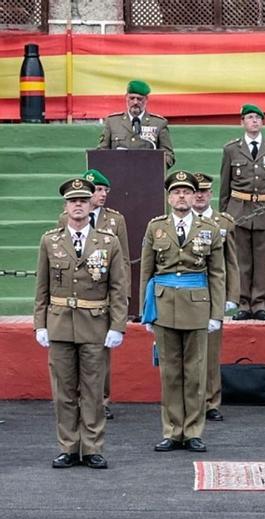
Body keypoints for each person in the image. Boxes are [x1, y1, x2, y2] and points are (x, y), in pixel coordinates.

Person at [34, 178, 129, 469]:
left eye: (83, 200)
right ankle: (67, 446)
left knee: (92, 391)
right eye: (72, 201)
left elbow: (118, 287)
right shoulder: (50, 240)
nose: (78, 205)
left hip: (95, 324)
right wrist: (40, 324)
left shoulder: (108, 242)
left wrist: (117, 326)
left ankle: (92, 447)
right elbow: (42, 287)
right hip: (60, 323)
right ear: (65, 206)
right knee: (63, 391)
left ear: (91, 205)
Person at [141, 171, 226, 453]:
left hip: (197, 306)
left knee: (195, 373)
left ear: (194, 196)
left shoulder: (209, 229)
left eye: (187, 192)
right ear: (168, 197)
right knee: (170, 373)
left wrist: (216, 314)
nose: (182, 196)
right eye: (176, 192)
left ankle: (193, 431)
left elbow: (217, 274)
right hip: (164, 305)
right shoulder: (156, 228)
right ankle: (171, 430)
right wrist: (147, 310)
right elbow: (147, 271)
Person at [58, 169, 129, 421]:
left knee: (101, 357)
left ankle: (102, 399)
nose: (101, 195)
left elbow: (123, 264)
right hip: (74, 298)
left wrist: (123, 298)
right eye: (97, 190)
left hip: (102, 297)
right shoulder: (64, 219)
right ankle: (78, 398)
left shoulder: (115, 220)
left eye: (103, 190)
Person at [219, 104, 265, 321]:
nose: (254, 121)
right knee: (241, 260)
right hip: (238, 210)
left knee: (263, 261)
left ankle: (260, 304)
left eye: (258, 117)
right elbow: (225, 184)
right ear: (242, 122)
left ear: (262, 122)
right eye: (250, 117)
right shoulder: (231, 149)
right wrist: (222, 215)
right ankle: (243, 303)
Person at [193, 171, 240, 422]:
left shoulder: (223, 223)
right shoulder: (181, 221)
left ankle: (211, 402)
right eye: (196, 191)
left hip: (213, 294)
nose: (200, 196)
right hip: (187, 293)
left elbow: (231, 262)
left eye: (204, 191)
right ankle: (191, 400)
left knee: (211, 353)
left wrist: (232, 295)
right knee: (189, 352)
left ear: (211, 194)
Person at [97, 80, 174, 168]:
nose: (135, 102)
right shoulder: (112, 122)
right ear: (126, 98)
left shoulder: (159, 123)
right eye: (132, 98)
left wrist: (156, 164)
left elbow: (169, 155)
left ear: (146, 99)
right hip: (118, 173)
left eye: (139, 99)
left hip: (148, 174)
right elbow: (101, 151)